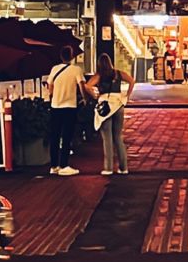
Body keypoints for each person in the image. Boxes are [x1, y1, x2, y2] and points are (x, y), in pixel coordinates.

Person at [86, 53, 135, 175]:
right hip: (118, 105)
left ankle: (108, 168)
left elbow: (87, 86)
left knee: (107, 138)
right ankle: (123, 167)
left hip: (105, 107)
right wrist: (127, 96)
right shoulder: (117, 73)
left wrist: (94, 95)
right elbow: (131, 80)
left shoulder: (99, 76)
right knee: (118, 137)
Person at [46, 44, 87, 176]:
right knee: (67, 135)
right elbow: (81, 85)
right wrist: (85, 98)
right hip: (69, 106)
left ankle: (54, 166)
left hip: (55, 106)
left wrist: (52, 96)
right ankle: (64, 165)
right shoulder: (76, 70)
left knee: (55, 136)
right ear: (71, 56)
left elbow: (50, 85)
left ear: (60, 56)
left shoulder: (54, 69)